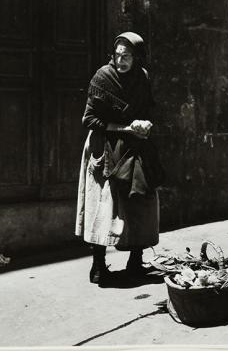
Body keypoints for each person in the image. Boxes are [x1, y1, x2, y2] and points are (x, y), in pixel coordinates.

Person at [75, 32, 164, 284]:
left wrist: (145, 123)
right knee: (105, 205)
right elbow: (89, 119)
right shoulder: (103, 77)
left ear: (137, 57)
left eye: (127, 56)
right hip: (104, 146)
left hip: (134, 144)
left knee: (142, 200)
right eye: (117, 55)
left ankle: (136, 261)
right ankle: (98, 265)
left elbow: (147, 109)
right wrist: (125, 128)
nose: (120, 60)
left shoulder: (142, 78)